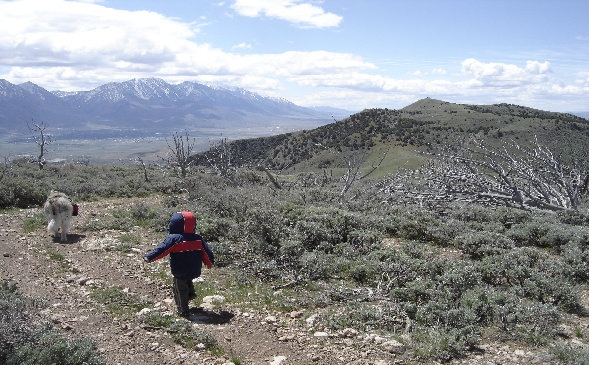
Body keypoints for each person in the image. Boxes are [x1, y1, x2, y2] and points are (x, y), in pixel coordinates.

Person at [143, 211, 214, 317]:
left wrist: (149, 257)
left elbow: (162, 250)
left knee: (179, 289)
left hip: (180, 269)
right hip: (194, 268)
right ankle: (190, 294)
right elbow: (207, 252)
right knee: (188, 279)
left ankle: (183, 310)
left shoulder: (175, 239)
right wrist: (209, 263)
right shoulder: (198, 239)